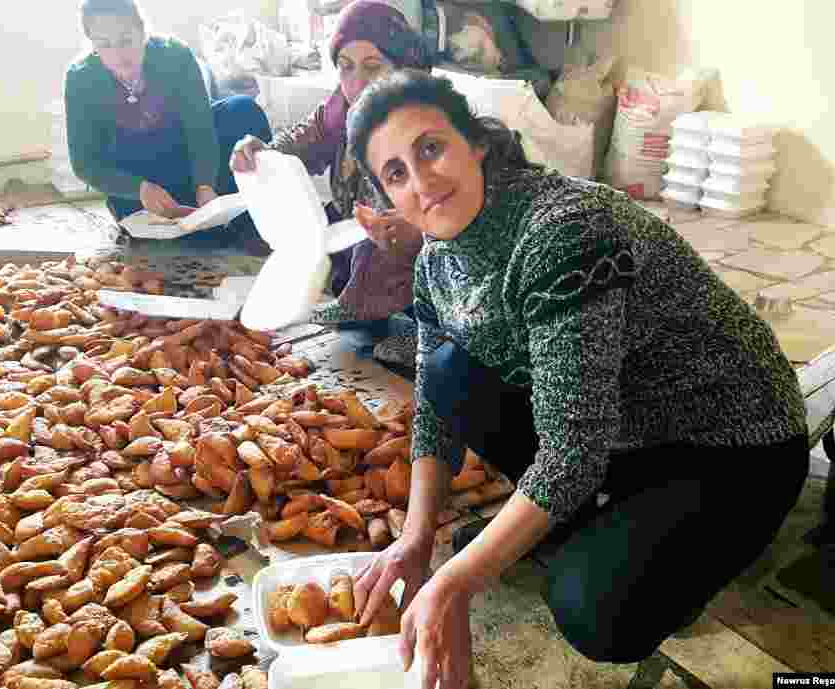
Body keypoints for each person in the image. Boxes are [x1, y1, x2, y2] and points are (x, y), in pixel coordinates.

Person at [346, 71, 809, 689]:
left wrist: (453, 586)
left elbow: (573, 451)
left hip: (729, 444)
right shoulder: (437, 259)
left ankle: (661, 549)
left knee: (595, 612)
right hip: (620, 429)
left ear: (475, 143)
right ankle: (590, 518)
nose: (423, 183)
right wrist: (414, 537)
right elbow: (436, 400)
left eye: (431, 148)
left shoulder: (564, 233)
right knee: (450, 371)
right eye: (396, 173)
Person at [230, 0, 430, 366]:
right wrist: (261, 153)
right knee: (316, 227)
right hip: (367, 236)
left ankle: (432, 332)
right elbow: (299, 141)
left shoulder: (428, 115)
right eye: (345, 67)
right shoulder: (340, 109)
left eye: (373, 67)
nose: (356, 83)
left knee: (395, 231)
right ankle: (361, 300)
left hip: (426, 242)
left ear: (402, 66)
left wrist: (413, 225)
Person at [66, 0, 272, 249]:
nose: (119, 55)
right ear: (92, 44)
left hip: (186, 159)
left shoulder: (174, 55)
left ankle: (252, 222)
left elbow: (199, 128)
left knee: (241, 110)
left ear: (142, 31)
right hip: (140, 180)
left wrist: (204, 184)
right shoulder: (80, 78)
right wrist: (138, 188)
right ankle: (206, 225)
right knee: (178, 240)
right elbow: (84, 164)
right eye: (104, 44)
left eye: (126, 40)